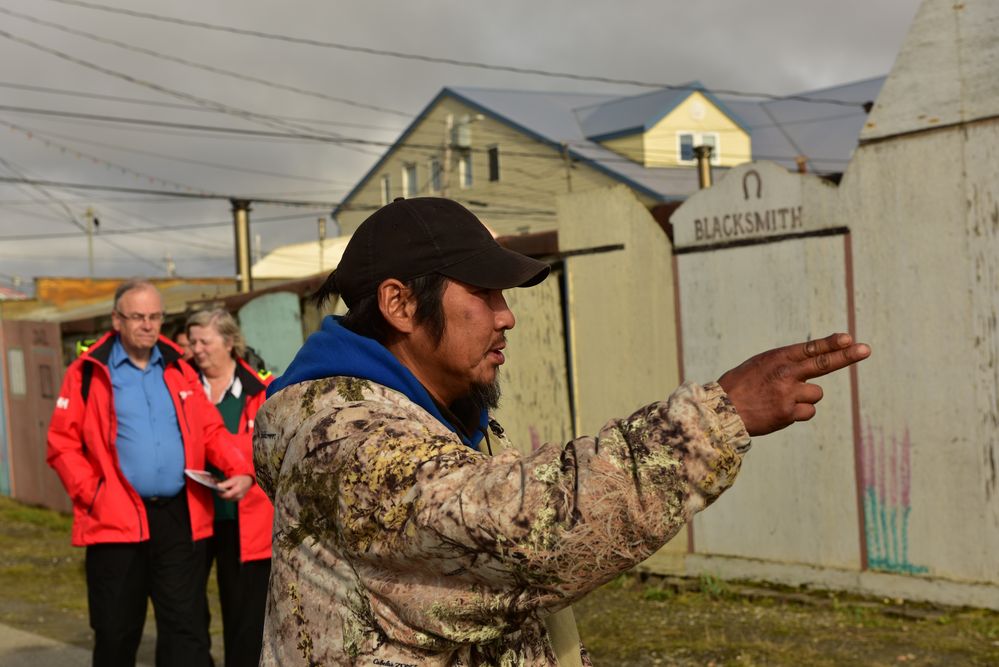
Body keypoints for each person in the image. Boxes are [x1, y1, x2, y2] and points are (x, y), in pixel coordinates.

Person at [252, 197, 871, 666]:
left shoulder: (432, 413)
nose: (507, 315)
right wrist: (714, 419)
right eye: (484, 292)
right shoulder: (344, 437)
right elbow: (514, 530)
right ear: (400, 304)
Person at [46, 280, 256, 667]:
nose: (148, 325)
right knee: (116, 632)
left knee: (186, 630)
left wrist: (241, 469)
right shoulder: (87, 372)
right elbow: (62, 443)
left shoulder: (179, 367)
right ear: (117, 319)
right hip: (114, 519)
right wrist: (93, 493)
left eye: (155, 316)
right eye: (138, 316)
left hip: (178, 519)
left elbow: (210, 429)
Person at [186, 308, 274, 667]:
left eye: (204, 341)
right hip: (194, 515)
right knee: (189, 610)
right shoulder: (183, 385)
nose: (197, 349)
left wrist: (247, 472)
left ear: (229, 342)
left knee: (245, 614)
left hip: (247, 519)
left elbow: (270, 446)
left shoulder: (261, 389)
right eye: (192, 342)